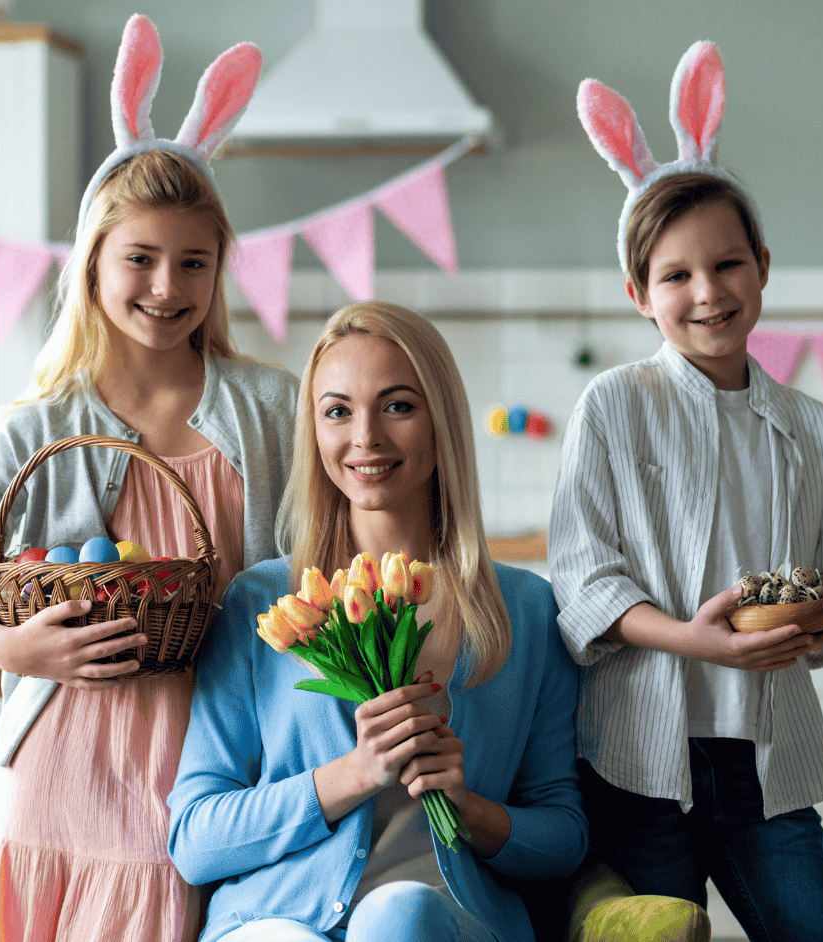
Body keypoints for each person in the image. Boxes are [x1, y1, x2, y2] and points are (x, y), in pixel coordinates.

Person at [0, 16, 297, 941]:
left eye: (193, 261)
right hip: (62, 773)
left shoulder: (273, 409)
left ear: (219, 269)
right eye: (140, 259)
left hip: (216, 764)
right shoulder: (38, 429)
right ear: (93, 265)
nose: (167, 286)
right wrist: (9, 648)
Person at [550, 41, 823, 942]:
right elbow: (583, 581)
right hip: (641, 758)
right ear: (639, 294)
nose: (707, 292)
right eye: (676, 275)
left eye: (726, 265)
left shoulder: (810, 426)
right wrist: (693, 641)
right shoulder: (615, 405)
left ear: (762, 263)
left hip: (768, 762)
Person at [168, 301, 588, 942]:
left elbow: (564, 838)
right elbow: (194, 840)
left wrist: (467, 806)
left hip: (443, 923)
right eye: (337, 410)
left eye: (397, 405)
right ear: (314, 431)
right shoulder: (262, 603)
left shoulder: (526, 610)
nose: (365, 437)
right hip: (276, 921)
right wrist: (355, 773)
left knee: (399, 914)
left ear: (440, 421)